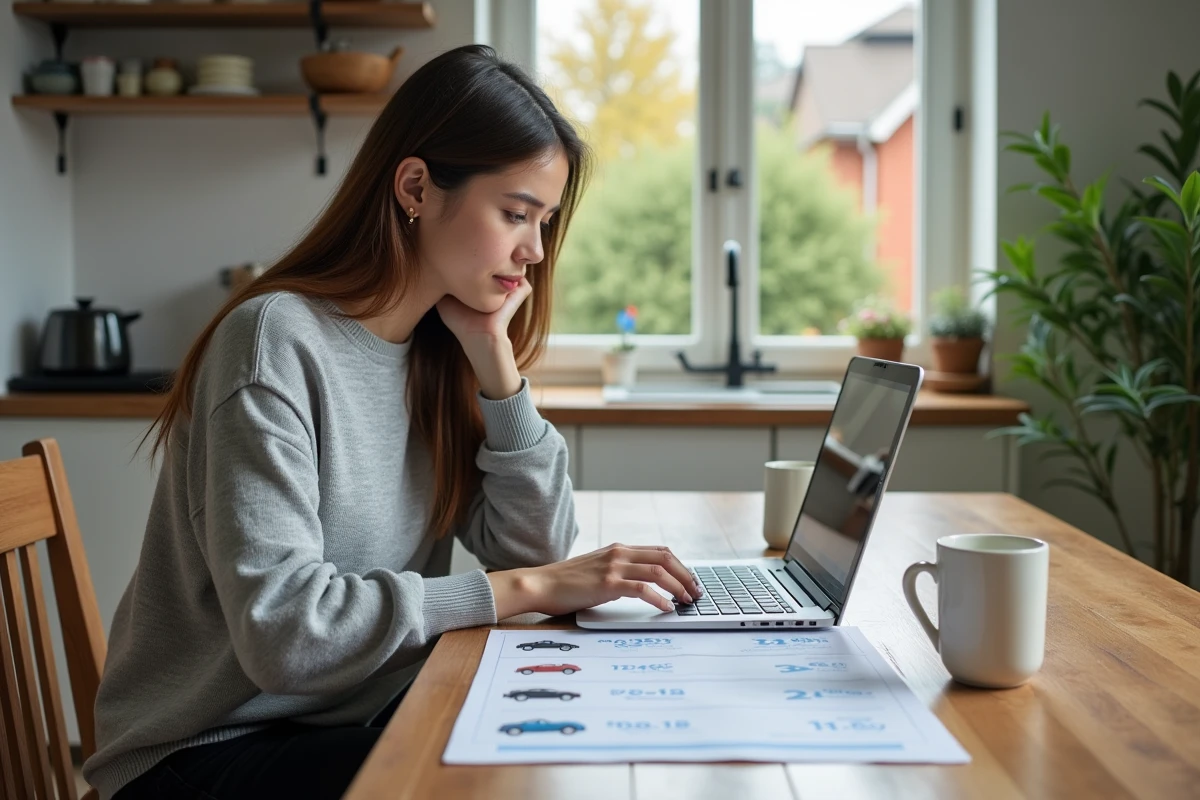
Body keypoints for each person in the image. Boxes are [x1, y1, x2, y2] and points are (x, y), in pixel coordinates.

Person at [84, 44, 702, 800]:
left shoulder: (438, 354)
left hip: (353, 717)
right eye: (515, 214)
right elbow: (287, 636)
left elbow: (532, 546)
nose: (534, 252)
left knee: (560, 748)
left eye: (543, 223)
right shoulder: (274, 341)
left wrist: (496, 365)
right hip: (204, 753)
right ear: (415, 186)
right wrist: (531, 588)